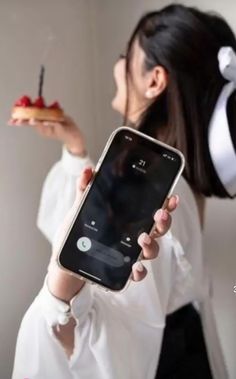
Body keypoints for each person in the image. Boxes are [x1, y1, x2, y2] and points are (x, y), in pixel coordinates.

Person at [12, 4, 236, 379]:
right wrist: (75, 149)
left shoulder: (151, 191)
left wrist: (58, 299)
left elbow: (100, 351)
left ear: (155, 80)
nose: (118, 65)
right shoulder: (176, 181)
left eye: (125, 55)